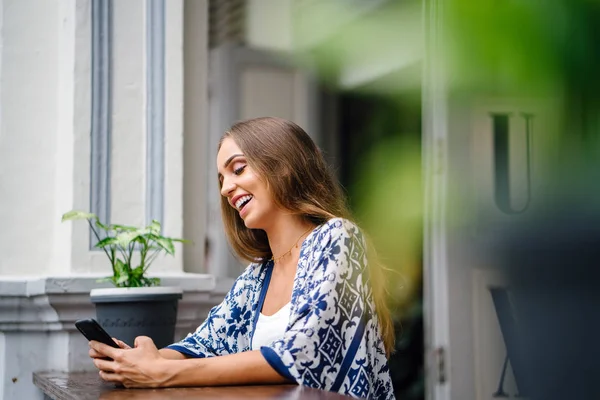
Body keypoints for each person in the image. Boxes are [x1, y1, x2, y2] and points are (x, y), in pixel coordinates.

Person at [89, 117, 396, 399]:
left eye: (238, 169)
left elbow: (303, 352)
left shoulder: (338, 238)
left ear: (284, 165)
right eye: (221, 178)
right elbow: (206, 345)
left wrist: (162, 372)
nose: (225, 188)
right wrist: (137, 359)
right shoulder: (258, 274)